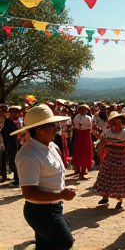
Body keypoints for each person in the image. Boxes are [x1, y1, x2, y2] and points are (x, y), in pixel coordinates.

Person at [11, 104, 76, 250]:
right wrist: (61, 194)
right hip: (40, 212)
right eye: (52, 124)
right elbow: (29, 192)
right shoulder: (28, 155)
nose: (56, 128)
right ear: (39, 129)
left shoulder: (51, 146)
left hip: (52, 208)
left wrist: (61, 191)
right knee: (68, 244)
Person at [94, 111, 125, 210]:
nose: (114, 124)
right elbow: (102, 144)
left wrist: (111, 143)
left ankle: (119, 201)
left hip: (121, 159)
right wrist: (100, 154)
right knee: (106, 177)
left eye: (117, 122)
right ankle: (105, 197)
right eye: (113, 122)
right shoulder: (107, 133)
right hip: (109, 158)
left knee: (120, 180)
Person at [1, 105, 22, 185]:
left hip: (12, 145)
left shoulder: (11, 123)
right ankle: (15, 178)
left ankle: (17, 178)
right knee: (11, 161)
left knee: (13, 162)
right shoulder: (7, 122)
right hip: (9, 145)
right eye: (16, 112)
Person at [73, 104, 94, 180]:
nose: (84, 111)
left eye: (85, 109)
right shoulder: (77, 117)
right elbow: (78, 126)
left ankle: (82, 170)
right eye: (82, 109)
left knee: (84, 152)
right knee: (81, 152)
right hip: (81, 135)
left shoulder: (87, 118)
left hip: (85, 136)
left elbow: (88, 127)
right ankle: (79, 170)